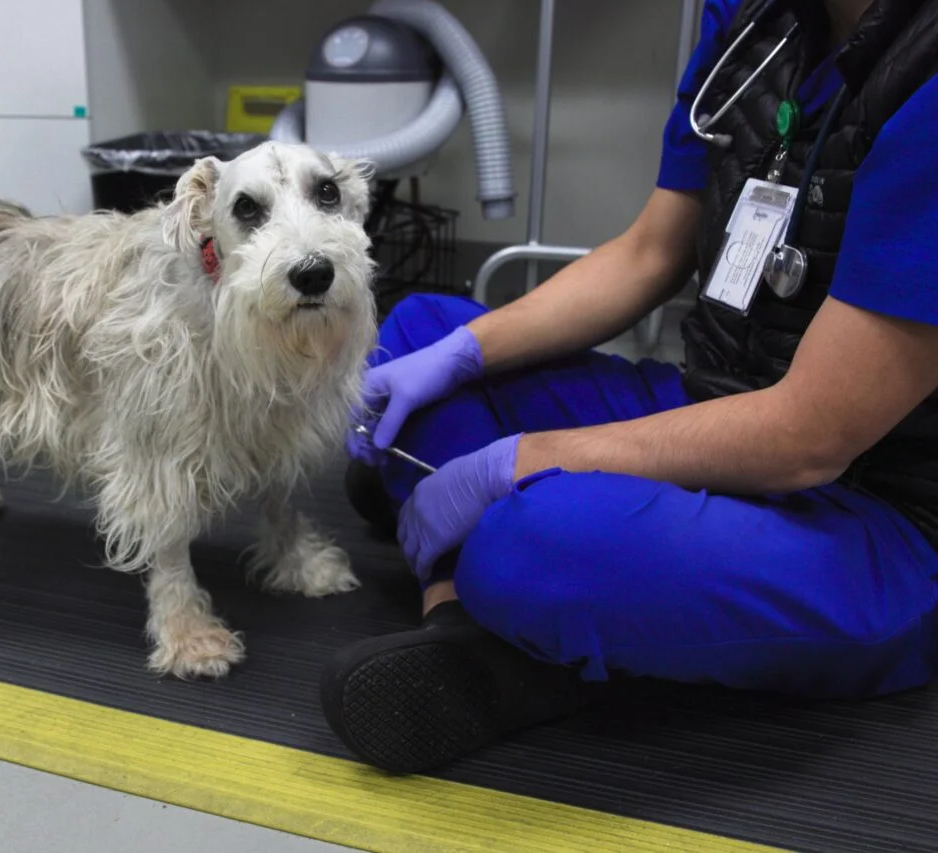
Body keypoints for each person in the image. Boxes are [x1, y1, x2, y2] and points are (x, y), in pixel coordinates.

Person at [323, 0, 938, 775]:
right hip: (714, 406)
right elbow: (649, 252)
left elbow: (811, 435)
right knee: (414, 334)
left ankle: (499, 595)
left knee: (541, 539)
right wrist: (463, 354)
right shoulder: (753, 17)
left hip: (880, 514)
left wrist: (523, 456)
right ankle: (471, 623)